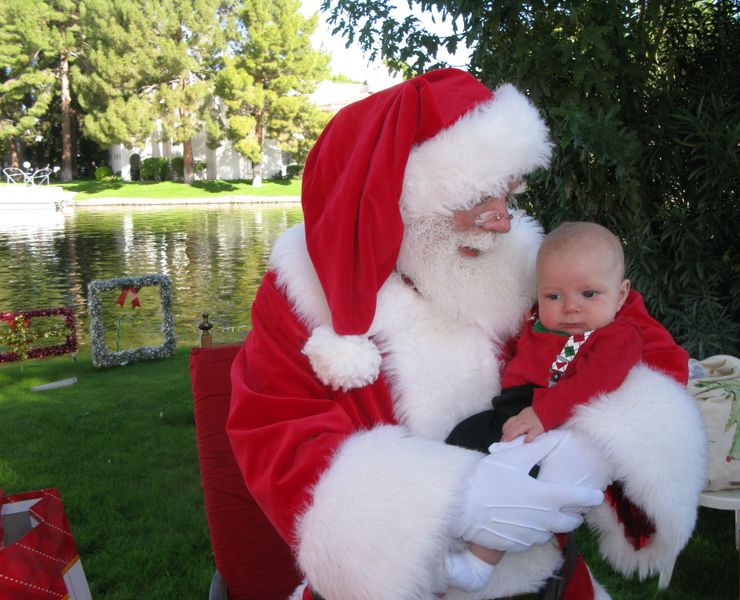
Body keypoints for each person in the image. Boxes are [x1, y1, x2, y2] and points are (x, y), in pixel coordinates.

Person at [227, 68, 708, 600]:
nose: (502, 222)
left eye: (508, 196)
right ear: (401, 198)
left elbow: (641, 340)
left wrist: (587, 444)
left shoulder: (532, 266)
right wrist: (450, 500)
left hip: (544, 582)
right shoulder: (300, 293)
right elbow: (276, 429)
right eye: (480, 198)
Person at [444, 221, 689, 592]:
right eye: (553, 296)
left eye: (589, 294)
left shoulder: (617, 337)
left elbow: (593, 383)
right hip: (513, 405)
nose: (570, 308)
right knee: (462, 438)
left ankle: (480, 561)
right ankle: (441, 519)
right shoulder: (538, 324)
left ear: (621, 295)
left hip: (550, 412)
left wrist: (544, 414)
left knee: (513, 477)